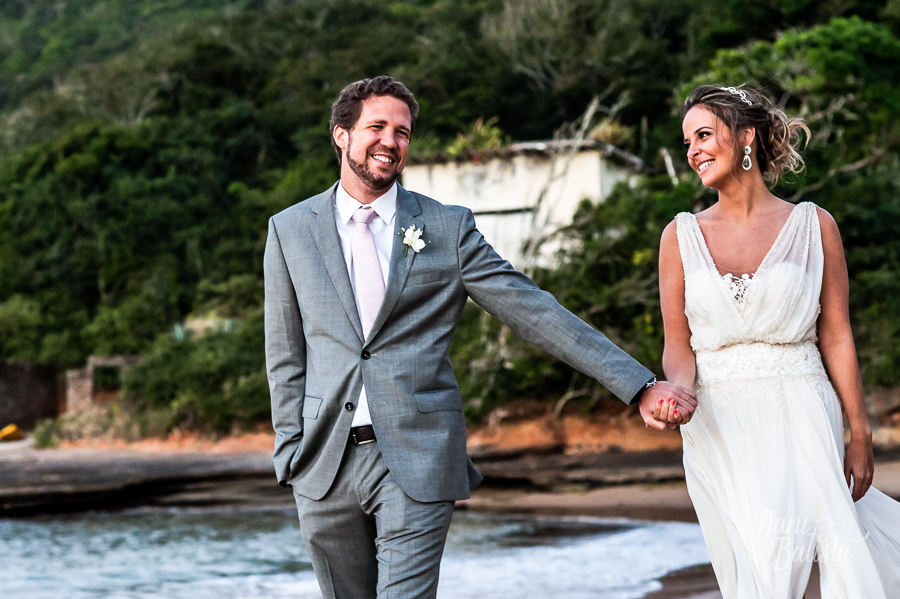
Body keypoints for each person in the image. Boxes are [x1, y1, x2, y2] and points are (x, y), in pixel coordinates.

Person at [263, 75, 697, 599]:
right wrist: (291, 450)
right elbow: (285, 355)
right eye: (376, 126)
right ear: (341, 135)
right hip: (323, 464)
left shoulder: (446, 227)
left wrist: (639, 384)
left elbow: (535, 311)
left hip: (418, 459)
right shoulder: (290, 229)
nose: (390, 141)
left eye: (402, 132)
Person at [658, 84, 900, 598]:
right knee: (754, 567)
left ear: (745, 136)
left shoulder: (814, 226)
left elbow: (836, 335)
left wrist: (860, 431)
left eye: (703, 135)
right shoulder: (678, 236)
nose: (693, 151)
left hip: (801, 408)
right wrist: (677, 393)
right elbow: (678, 344)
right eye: (687, 143)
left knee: (811, 561)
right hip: (717, 424)